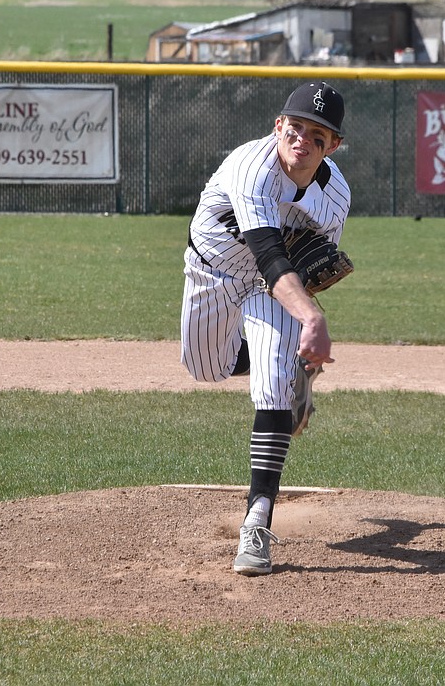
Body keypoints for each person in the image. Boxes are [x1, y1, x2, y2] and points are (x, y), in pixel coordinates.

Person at [180, 80, 351, 576]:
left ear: (332, 146)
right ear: (279, 126)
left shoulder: (334, 193)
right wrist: (312, 320)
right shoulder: (253, 166)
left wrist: (304, 314)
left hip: (266, 289)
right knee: (204, 368)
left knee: (272, 388)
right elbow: (270, 253)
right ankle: (282, 362)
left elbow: (305, 266)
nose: (303, 140)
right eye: (295, 128)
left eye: (318, 136)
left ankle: (257, 521)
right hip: (212, 270)